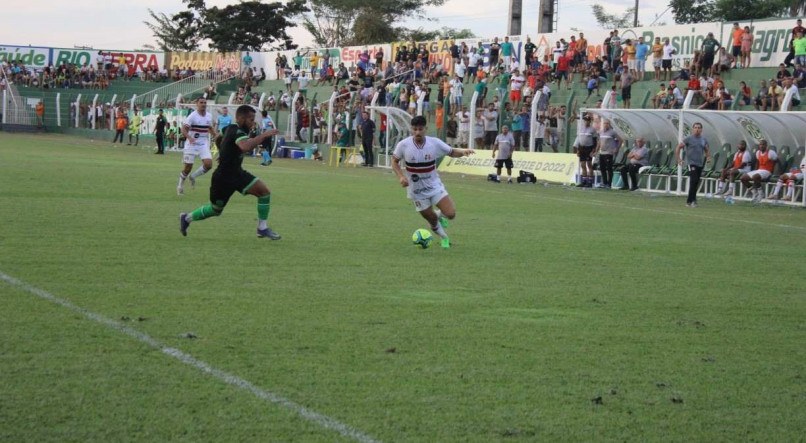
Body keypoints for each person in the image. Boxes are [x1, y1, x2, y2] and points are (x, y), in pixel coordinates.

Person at [179, 105, 281, 240]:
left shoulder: (229, 128)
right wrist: (264, 135)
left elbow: (218, 138)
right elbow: (244, 146)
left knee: (264, 193)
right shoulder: (237, 131)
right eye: (251, 119)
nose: (253, 122)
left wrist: (223, 151)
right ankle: (186, 218)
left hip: (237, 174)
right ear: (241, 118)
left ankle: (262, 228)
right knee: (215, 210)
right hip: (223, 178)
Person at [391, 115, 475, 249]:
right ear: (411, 129)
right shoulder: (403, 145)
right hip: (416, 191)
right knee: (431, 219)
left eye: (420, 129)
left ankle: (438, 214)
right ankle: (444, 237)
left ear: (426, 129)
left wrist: (463, 152)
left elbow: (452, 152)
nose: (417, 132)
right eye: (415, 129)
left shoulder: (434, 143)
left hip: (434, 186)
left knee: (451, 214)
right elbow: (394, 161)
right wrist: (401, 177)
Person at [177, 98, 216, 195]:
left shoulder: (209, 116)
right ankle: (180, 185)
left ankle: (193, 176)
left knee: (208, 164)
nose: (203, 104)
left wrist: (216, 136)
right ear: (196, 104)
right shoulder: (192, 116)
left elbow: (210, 128)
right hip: (192, 144)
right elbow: (183, 129)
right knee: (188, 167)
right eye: (201, 103)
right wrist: (189, 138)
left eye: (205, 103)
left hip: (203, 143)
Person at [675, 122, 710, 207]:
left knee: (696, 182)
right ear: (693, 129)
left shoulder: (703, 139)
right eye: (695, 127)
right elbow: (678, 147)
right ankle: (693, 201)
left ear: (701, 130)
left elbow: (706, 149)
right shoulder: (689, 139)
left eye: (699, 128)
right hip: (691, 163)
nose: (697, 129)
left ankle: (689, 201)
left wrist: (708, 157)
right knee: (693, 181)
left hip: (700, 163)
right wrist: (679, 159)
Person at [595, 119, 621, 188]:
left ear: (609, 125)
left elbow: (620, 140)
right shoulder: (601, 132)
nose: (606, 125)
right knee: (602, 168)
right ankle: (604, 182)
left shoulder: (612, 132)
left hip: (609, 153)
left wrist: (616, 148)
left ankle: (609, 184)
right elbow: (599, 142)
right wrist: (596, 151)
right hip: (601, 153)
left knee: (609, 169)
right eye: (605, 123)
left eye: (607, 123)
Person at [573, 114, 597, 187]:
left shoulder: (592, 129)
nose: (586, 122)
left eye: (588, 121)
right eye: (585, 120)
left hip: (589, 148)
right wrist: (577, 149)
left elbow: (595, 140)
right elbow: (579, 139)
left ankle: (590, 182)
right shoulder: (581, 129)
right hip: (582, 148)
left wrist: (593, 150)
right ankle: (584, 181)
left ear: (590, 121)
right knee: (582, 165)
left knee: (589, 164)